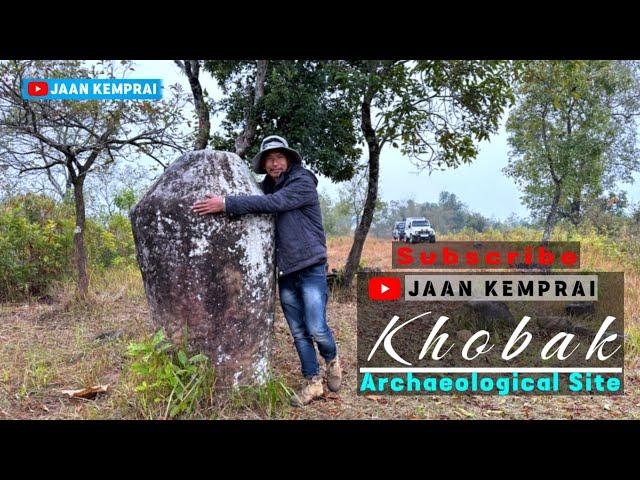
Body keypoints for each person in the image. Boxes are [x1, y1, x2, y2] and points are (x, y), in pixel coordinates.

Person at [190, 135, 342, 407]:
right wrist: (224, 206)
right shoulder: (264, 188)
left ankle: (332, 359)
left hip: (310, 266)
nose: (274, 163)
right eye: (269, 159)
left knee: (317, 327)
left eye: (279, 157)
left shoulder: (302, 182)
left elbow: (273, 204)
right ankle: (313, 382)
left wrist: (225, 203)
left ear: (288, 159)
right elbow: (253, 201)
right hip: (284, 271)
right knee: (298, 331)